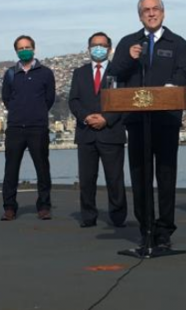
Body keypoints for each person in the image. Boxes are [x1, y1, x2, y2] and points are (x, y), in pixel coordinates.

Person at [109, 0, 186, 248]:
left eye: (156, 9)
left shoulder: (178, 43)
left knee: (166, 176)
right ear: (140, 15)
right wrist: (128, 58)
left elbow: (183, 75)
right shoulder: (127, 43)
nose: (152, 13)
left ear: (163, 12)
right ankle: (145, 228)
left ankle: (164, 231)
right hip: (136, 121)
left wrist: (166, 91)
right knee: (140, 175)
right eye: (146, 10)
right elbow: (114, 73)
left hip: (165, 119)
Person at [68, 32, 128, 228]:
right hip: (86, 134)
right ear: (88, 49)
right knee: (86, 179)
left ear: (110, 49)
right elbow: (73, 101)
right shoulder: (79, 73)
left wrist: (106, 119)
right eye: (94, 45)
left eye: (102, 45)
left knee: (115, 179)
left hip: (111, 133)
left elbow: (123, 102)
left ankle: (118, 216)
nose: (98, 48)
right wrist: (86, 117)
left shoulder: (119, 73)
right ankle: (88, 216)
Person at [0, 35, 56, 221]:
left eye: (27, 47)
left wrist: (37, 113)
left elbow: (49, 99)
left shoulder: (46, 73)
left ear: (34, 48)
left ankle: (44, 206)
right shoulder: (10, 74)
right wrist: (19, 112)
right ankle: (9, 207)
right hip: (15, 127)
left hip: (37, 127)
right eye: (21, 48)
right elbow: (7, 98)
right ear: (16, 51)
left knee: (42, 169)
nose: (24, 50)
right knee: (11, 170)